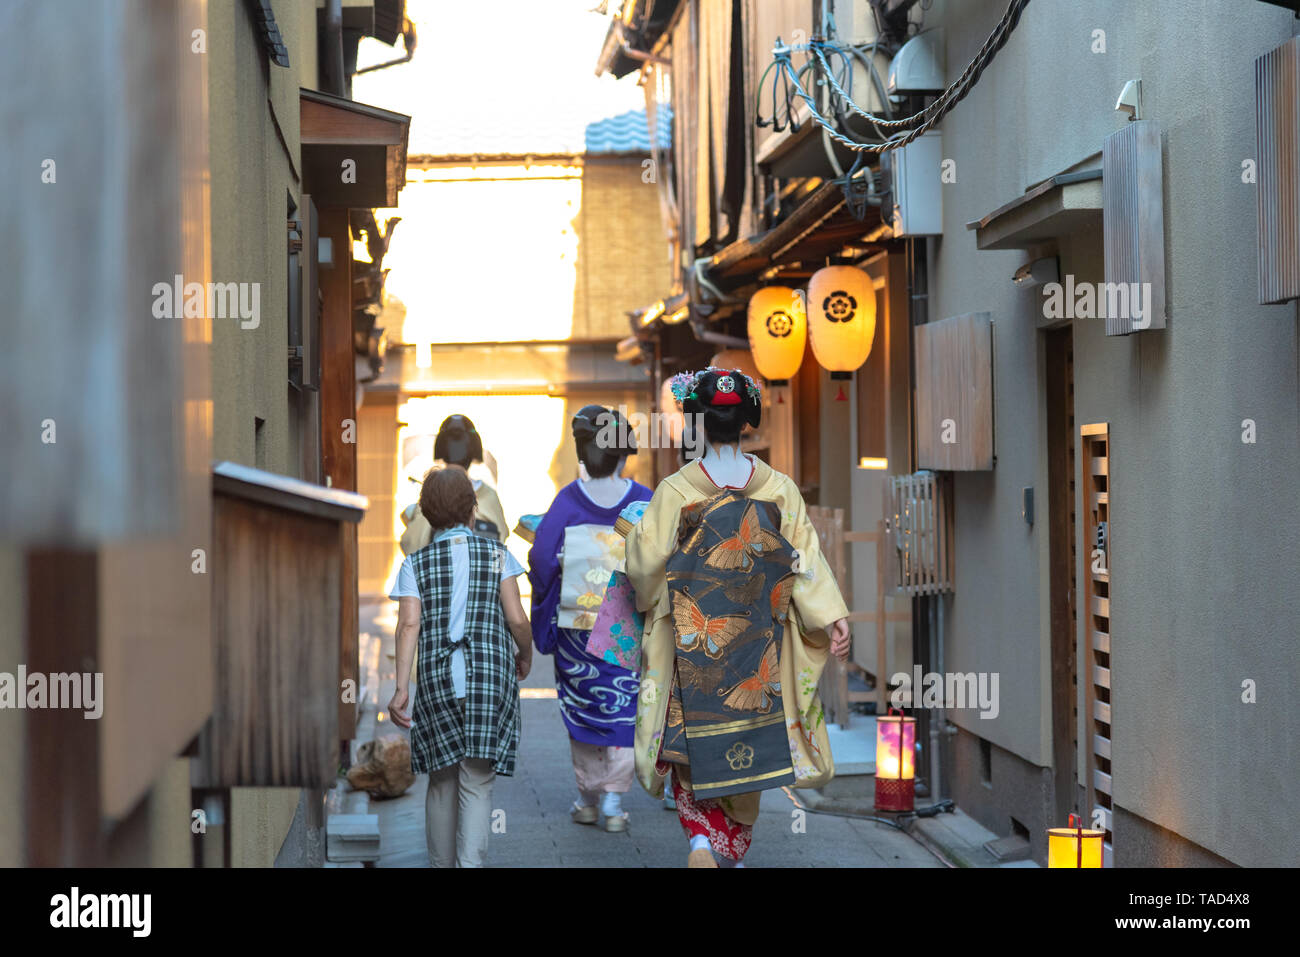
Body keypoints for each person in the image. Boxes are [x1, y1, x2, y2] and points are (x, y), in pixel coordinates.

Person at [625, 367, 851, 868]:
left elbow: (644, 567)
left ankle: (701, 842)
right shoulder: (779, 488)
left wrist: (637, 546)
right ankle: (730, 851)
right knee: (753, 743)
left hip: (693, 647)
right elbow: (804, 560)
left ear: (697, 423)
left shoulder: (676, 489)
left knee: (690, 744)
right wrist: (831, 615)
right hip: (757, 649)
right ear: (746, 421)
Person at [387, 467, 533, 868]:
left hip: (436, 682)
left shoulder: (414, 565)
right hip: (488, 680)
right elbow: (518, 619)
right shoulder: (500, 555)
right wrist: (526, 653)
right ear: (472, 510)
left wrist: (401, 688)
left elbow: (408, 626)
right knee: (477, 780)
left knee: (441, 779)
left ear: (428, 515)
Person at [527, 405, 652, 832]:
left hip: (577, 630)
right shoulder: (643, 500)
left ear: (583, 453)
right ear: (623, 454)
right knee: (623, 704)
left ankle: (586, 797)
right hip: (626, 626)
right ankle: (614, 801)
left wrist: (548, 593)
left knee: (582, 706)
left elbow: (542, 557)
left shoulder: (567, 500)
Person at [400, 414, 510, 555]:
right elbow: (501, 540)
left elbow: (412, 544)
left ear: (441, 449)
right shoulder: (488, 496)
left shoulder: (432, 492)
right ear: (474, 450)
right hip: (481, 574)